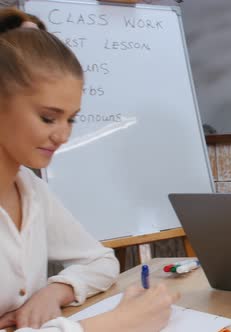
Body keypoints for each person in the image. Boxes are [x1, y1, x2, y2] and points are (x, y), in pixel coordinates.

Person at [0, 8, 178, 332]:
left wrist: (56, 291)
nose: (63, 135)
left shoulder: (29, 189)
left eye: (71, 119)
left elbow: (100, 261)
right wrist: (115, 324)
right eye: (48, 117)